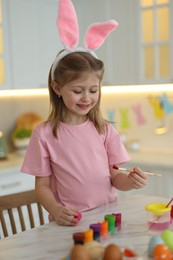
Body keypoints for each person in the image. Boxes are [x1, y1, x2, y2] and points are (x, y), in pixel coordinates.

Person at [21, 0, 148, 226]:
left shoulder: (105, 129)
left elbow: (115, 177)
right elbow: (41, 187)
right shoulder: (44, 134)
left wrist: (130, 181)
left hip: (109, 216)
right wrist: (56, 209)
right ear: (57, 88)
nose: (87, 98)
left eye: (93, 90)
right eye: (78, 91)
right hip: (71, 221)